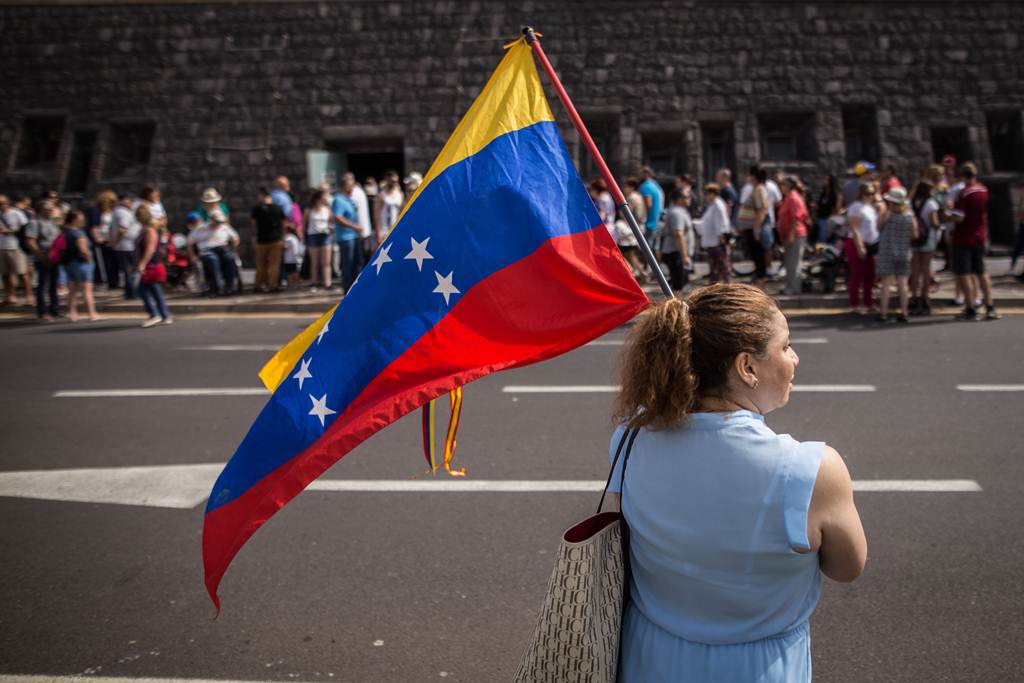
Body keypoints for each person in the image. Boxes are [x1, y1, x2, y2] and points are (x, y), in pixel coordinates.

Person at [609, 286, 866, 683]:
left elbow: (620, 532)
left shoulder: (630, 437)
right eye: (786, 346)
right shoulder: (812, 470)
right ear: (747, 367)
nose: (795, 359)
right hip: (759, 668)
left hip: (649, 655)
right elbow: (847, 567)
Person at [949, 162, 1000, 320]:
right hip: (979, 235)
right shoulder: (983, 190)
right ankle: (990, 306)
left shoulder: (964, 193)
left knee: (964, 273)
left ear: (963, 176)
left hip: (963, 236)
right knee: (982, 272)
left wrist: (947, 215)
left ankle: (971, 307)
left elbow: (959, 217)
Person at [875, 187, 918, 322]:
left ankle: (883, 313)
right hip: (904, 252)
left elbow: (878, 227)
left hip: (887, 251)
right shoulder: (910, 216)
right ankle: (904, 312)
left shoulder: (887, 214)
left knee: (886, 284)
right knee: (903, 284)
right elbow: (915, 234)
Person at [909, 166, 944, 315]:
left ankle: (914, 297)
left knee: (915, 270)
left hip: (915, 237)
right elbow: (934, 222)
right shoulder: (931, 203)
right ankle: (924, 298)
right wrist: (940, 227)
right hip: (928, 238)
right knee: (926, 269)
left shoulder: (911, 203)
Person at [844, 183, 881, 314]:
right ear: (862, 194)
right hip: (856, 243)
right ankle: (854, 304)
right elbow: (855, 228)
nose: (871, 196)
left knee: (870, 275)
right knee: (857, 274)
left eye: (872, 193)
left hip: (870, 244)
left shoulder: (870, 207)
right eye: (868, 194)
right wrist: (860, 246)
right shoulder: (856, 207)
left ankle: (868, 302)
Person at [134, 204, 172, 327]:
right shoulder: (147, 229)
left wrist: (142, 264)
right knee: (155, 291)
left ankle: (155, 315)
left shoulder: (149, 231)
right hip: (152, 265)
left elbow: (150, 249)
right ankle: (165, 316)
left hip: (152, 265)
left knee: (143, 290)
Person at [24, 199, 62, 321]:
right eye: (49, 208)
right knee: (42, 285)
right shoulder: (34, 223)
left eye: (52, 208)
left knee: (53, 285)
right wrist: (41, 256)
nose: (52, 210)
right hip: (43, 258)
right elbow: (30, 242)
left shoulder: (52, 222)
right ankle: (42, 312)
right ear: (42, 210)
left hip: (54, 257)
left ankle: (54, 310)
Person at [736, 166, 772, 290]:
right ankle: (760, 282)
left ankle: (761, 284)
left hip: (753, 229)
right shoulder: (756, 189)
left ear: (754, 177)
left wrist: (756, 228)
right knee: (756, 256)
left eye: (749, 175)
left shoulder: (759, 189)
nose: (747, 177)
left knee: (758, 256)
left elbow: (762, 209)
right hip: (750, 228)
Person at [188, 209, 239, 296]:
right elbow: (190, 243)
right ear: (211, 220)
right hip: (207, 250)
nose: (219, 224)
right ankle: (217, 286)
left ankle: (229, 286)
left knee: (229, 258)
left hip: (222, 248)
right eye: (217, 221)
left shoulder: (224, 227)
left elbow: (235, 238)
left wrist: (234, 250)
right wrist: (193, 256)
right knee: (213, 260)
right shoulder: (201, 228)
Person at [61, 209, 101, 322]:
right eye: (81, 218)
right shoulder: (78, 233)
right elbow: (83, 250)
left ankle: (72, 314)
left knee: (72, 291)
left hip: (69, 263)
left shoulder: (66, 232)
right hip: (82, 264)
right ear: (74, 219)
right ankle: (92, 314)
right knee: (87, 290)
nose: (83, 220)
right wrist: (89, 259)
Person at [694, 182, 732, 284]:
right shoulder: (712, 205)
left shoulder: (718, 205)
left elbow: (721, 222)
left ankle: (727, 284)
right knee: (715, 265)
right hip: (712, 240)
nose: (705, 196)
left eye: (706, 194)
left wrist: (721, 236)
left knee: (722, 264)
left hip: (718, 240)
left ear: (712, 193)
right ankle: (716, 285)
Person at [777, 177, 809, 295]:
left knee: (794, 263)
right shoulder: (788, 198)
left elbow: (796, 218)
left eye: (783, 184)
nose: (781, 187)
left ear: (790, 185)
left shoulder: (793, 198)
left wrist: (791, 235)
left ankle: (794, 288)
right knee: (789, 263)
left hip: (795, 235)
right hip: (789, 235)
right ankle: (790, 286)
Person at [250, 187, 285, 293]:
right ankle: (272, 285)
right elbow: (283, 223)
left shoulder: (256, 208)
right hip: (276, 239)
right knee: (274, 265)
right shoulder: (277, 208)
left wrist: (254, 236)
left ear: (262, 195)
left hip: (261, 240)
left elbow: (253, 224)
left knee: (261, 264)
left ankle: (258, 285)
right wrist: (282, 236)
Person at [108, 193, 141, 299]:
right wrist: (115, 242)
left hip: (126, 245)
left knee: (128, 270)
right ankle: (131, 292)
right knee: (129, 270)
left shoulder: (120, 212)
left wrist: (114, 242)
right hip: (126, 245)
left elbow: (120, 229)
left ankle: (130, 292)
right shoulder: (122, 212)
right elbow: (122, 229)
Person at [332, 176, 362, 291]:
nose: (353, 188)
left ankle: (355, 289)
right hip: (346, 238)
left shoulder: (349, 199)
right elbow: (338, 217)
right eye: (351, 185)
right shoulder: (338, 200)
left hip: (354, 236)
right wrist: (354, 226)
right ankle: (347, 289)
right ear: (344, 186)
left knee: (357, 263)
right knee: (348, 265)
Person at [659, 189, 692, 292]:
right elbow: (678, 233)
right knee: (679, 287)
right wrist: (684, 255)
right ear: (678, 199)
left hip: (677, 252)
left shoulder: (680, 211)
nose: (689, 199)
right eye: (686, 197)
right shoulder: (676, 213)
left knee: (680, 284)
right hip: (676, 252)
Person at [305, 189, 333, 290]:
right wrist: (304, 239)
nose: (324, 200)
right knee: (315, 262)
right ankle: (314, 282)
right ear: (317, 199)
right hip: (313, 235)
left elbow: (331, 222)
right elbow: (305, 225)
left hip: (325, 235)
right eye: (322, 198)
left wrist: (330, 229)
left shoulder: (327, 210)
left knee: (326, 261)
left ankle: (327, 283)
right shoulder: (309, 211)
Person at [374, 170, 404, 244]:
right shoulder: (381, 195)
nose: (394, 183)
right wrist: (378, 232)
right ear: (387, 180)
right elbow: (376, 215)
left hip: (396, 229)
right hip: (384, 230)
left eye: (396, 181)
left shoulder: (400, 194)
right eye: (392, 181)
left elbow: (402, 212)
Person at [639, 166, 664, 249]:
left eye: (641, 173)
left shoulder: (645, 186)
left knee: (646, 250)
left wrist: (641, 219)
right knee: (656, 248)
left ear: (646, 174)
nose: (639, 175)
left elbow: (648, 204)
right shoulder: (656, 185)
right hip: (658, 221)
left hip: (649, 223)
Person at [814, 174, 841, 245]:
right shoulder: (823, 192)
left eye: (827, 180)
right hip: (820, 218)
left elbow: (836, 208)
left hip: (828, 219)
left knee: (824, 240)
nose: (825, 181)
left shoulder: (835, 194)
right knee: (820, 239)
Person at [282, 223, 302, 288]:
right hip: (295, 258)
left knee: (290, 272)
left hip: (289, 259)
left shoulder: (288, 238)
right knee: (295, 271)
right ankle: (296, 283)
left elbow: (285, 248)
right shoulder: (294, 237)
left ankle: (290, 284)